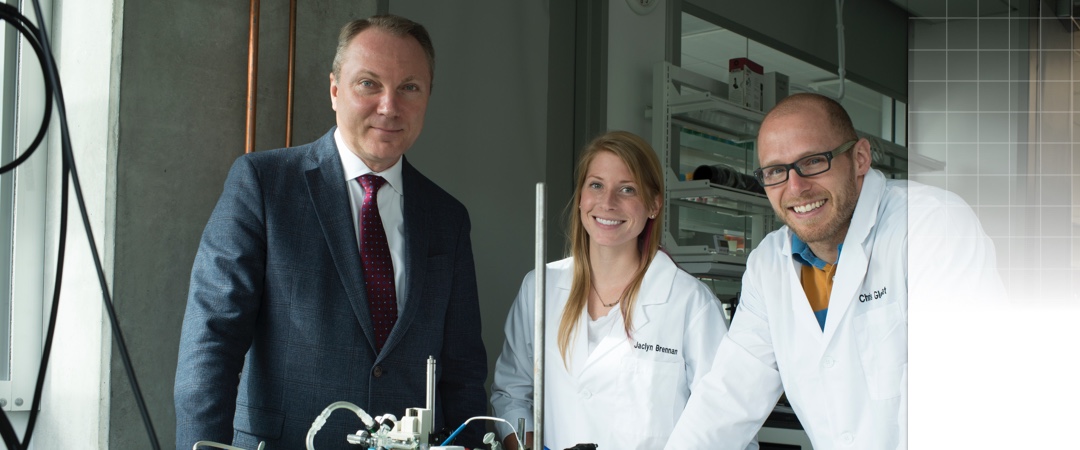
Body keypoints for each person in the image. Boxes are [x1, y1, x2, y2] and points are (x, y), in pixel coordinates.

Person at [174, 15, 488, 450]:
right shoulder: (264, 185)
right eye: (369, 84)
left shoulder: (447, 218)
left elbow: (462, 373)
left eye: (409, 87)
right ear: (335, 89)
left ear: (429, 96)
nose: (389, 106)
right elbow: (211, 342)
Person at [662, 93, 1004, 449]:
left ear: (859, 158)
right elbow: (726, 400)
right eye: (776, 171)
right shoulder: (769, 265)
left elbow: (960, 395)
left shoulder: (930, 226)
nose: (795, 187)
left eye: (813, 161)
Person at [490, 131, 755, 450]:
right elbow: (512, 394)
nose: (607, 202)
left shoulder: (690, 303)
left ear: (654, 204)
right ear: (581, 196)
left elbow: (727, 425)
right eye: (596, 185)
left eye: (627, 189)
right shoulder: (540, 287)